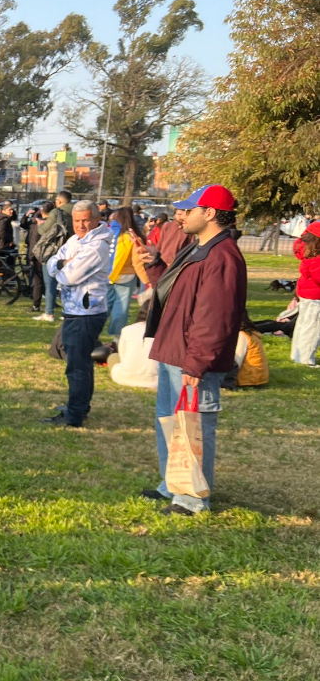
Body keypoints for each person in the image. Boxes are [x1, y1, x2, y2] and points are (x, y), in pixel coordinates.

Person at [139, 185, 247, 516]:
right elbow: (179, 293)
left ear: (210, 213)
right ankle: (172, 486)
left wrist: (197, 363)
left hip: (191, 359)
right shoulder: (200, 248)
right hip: (176, 352)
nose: (181, 215)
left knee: (193, 427)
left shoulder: (222, 256)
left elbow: (215, 317)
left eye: (189, 209)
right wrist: (157, 266)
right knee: (171, 423)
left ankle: (192, 500)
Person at [42, 200, 112, 428]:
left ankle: (74, 414)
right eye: (77, 220)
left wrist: (61, 267)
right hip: (76, 310)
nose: (81, 225)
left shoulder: (97, 245)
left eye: (85, 220)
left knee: (77, 366)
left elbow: (68, 277)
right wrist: (63, 263)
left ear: (97, 219)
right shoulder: (76, 240)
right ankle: (79, 406)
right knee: (80, 364)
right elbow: (50, 262)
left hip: (86, 312)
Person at [106, 206, 149, 341]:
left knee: (104, 306)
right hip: (126, 277)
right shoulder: (133, 238)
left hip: (107, 275)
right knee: (121, 307)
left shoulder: (109, 234)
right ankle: (116, 337)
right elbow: (138, 263)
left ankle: (93, 330)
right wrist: (147, 281)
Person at [33, 190, 75, 322]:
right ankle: (67, 312)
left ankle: (49, 313)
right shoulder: (77, 211)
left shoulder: (56, 212)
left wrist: (40, 224)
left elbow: (44, 231)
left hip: (54, 251)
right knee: (68, 283)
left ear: (60, 201)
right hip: (72, 250)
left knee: (50, 282)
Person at [290, 221, 320, 365]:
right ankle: (305, 359)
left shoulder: (308, 256)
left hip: (307, 296)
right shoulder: (317, 260)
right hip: (316, 299)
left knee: (302, 325)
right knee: (312, 329)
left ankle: (297, 355)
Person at [21, 202, 50, 313]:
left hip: (37, 254)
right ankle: (48, 302)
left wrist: (32, 256)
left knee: (37, 280)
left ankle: (37, 304)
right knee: (47, 281)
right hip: (47, 253)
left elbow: (34, 240)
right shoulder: (49, 223)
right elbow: (23, 224)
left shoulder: (36, 223)